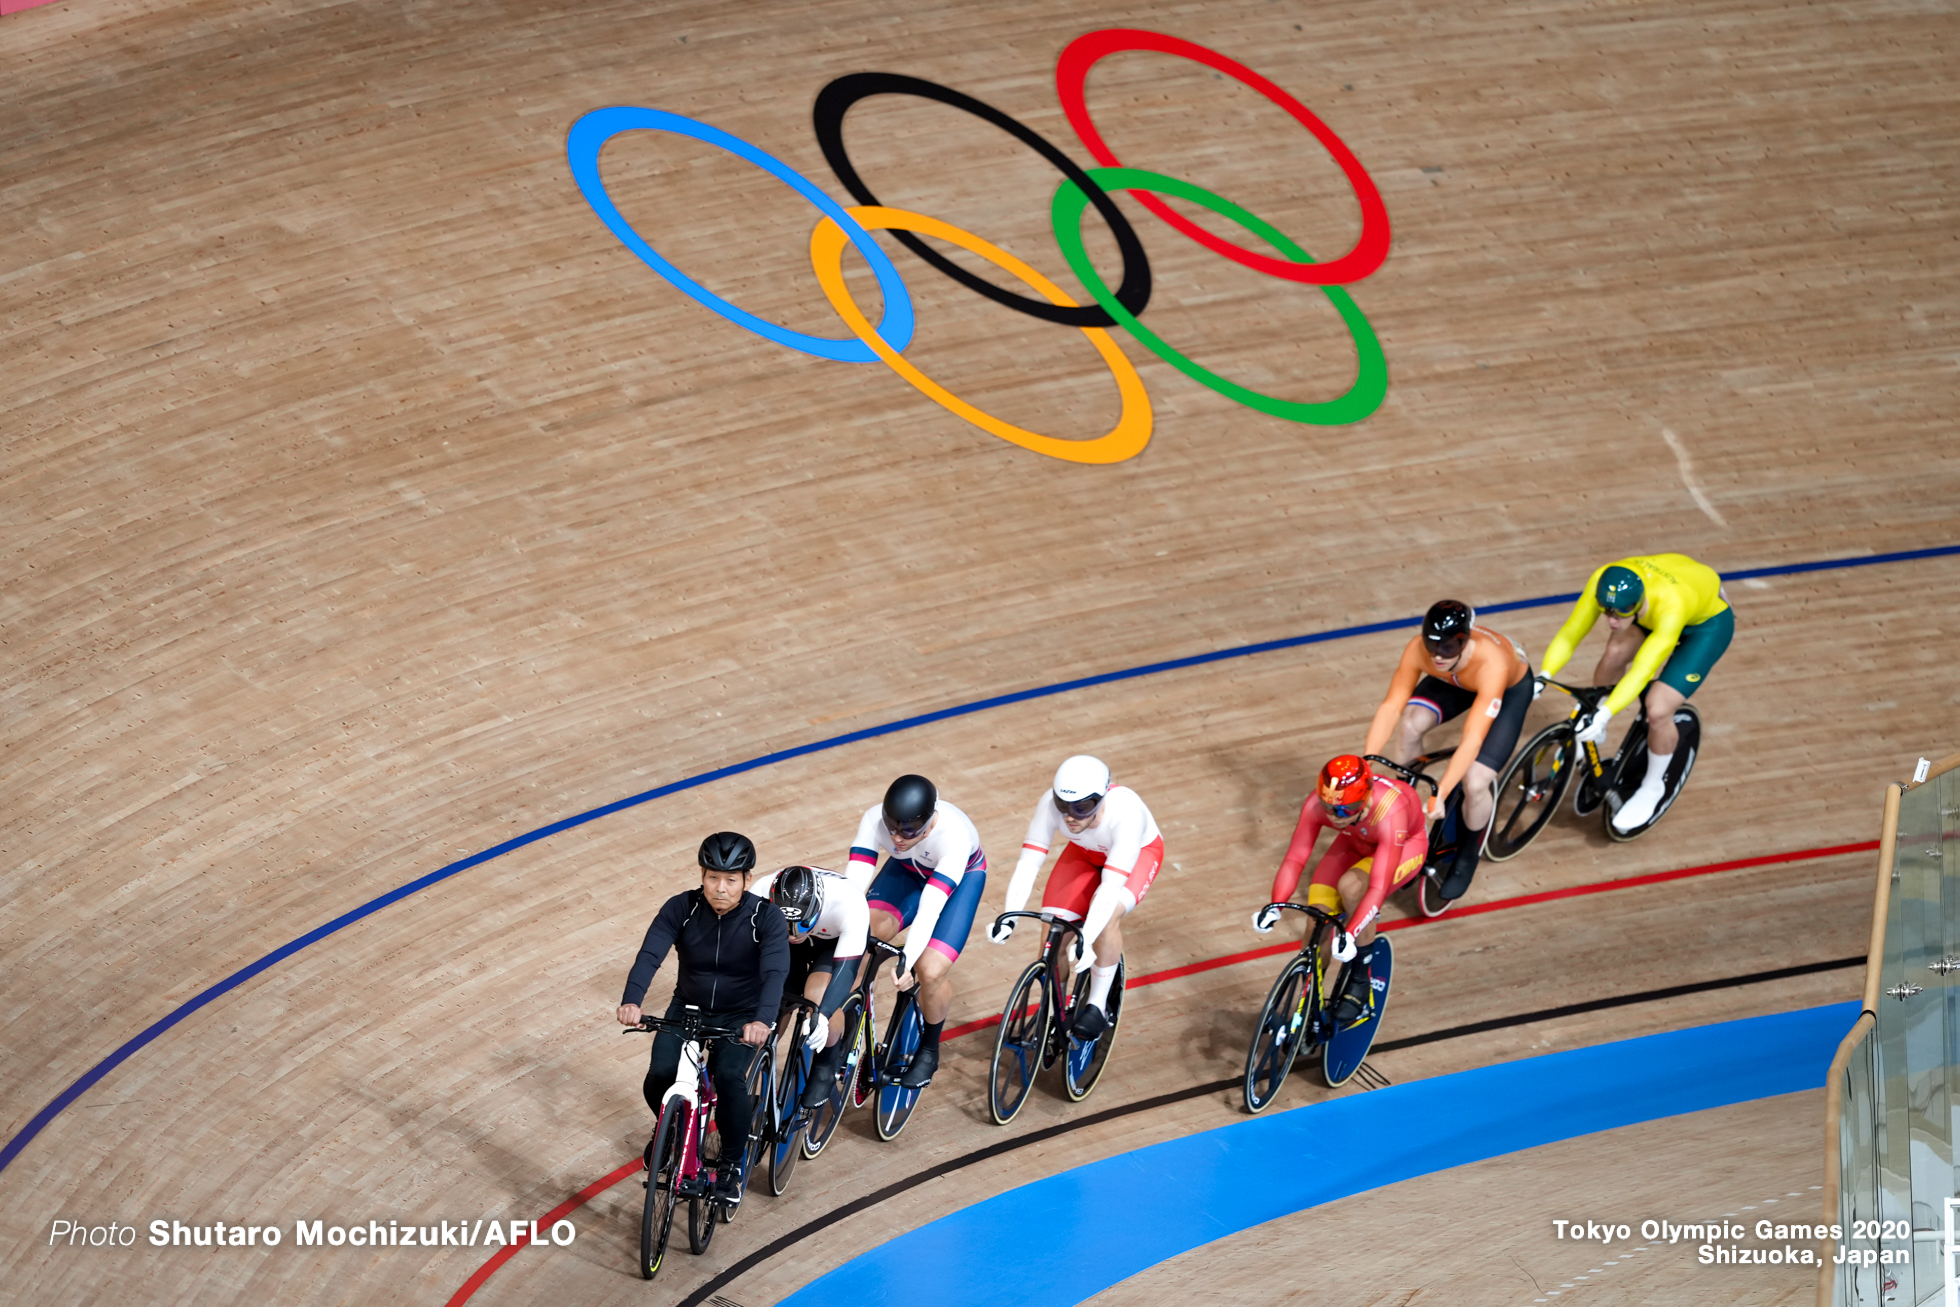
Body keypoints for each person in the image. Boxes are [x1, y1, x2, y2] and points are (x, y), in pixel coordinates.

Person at [616, 831, 788, 1208]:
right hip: (688, 1007)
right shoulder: (682, 907)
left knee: (728, 1078)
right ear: (701, 875)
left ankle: (730, 1164)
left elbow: (776, 973)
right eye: (712, 878)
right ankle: (672, 1130)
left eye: (730, 879)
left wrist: (762, 1020)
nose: (720, 888)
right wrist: (633, 1000)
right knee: (659, 1075)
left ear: (747, 878)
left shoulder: (766, 917)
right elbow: (650, 954)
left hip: (742, 1014)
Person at [1540, 554, 1733, 831]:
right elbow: (1571, 633)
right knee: (1614, 653)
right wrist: (1544, 675)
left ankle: (1652, 788)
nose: (1612, 621)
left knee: (1658, 708)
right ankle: (1595, 725)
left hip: (1705, 626)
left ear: (1637, 602)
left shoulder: (1672, 605)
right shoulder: (1604, 580)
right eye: (1607, 611)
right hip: (1658, 605)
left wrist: (1605, 714)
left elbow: (1642, 671)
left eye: (1620, 613)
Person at [1363, 599, 1533, 899]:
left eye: (1449, 648)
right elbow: (1391, 706)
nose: (1438, 656)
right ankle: (1405, 811)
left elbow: (1471, 739)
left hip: (1505, 691)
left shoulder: (1492, 663)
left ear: (1465, 641)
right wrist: (1367, 761)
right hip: (1456, 681)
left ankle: (1468, 855)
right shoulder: (1420, 649)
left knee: (1475, 781)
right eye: (1432, 645)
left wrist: (1440, 792)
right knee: (1409, 725)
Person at [993, 755, 1164, 1040]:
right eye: (1063, 807)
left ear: (1101, 799)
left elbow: (1110, 888)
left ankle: (1097, 1004)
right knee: (1052, 934)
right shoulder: (1049, 804)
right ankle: (1053, 1011)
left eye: (1082, 808)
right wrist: (1009, 916)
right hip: (1084, 854)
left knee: (1106, 919)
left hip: (1137, 857)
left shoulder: (1127, 814)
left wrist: (1087, 934)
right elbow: (1028, 863)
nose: (1070, 817)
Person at [1252, 755, 1426, 1028]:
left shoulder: (1390, 812)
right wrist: (1275, 904)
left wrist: (1351, 931)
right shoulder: (1323, 803)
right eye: (1329, 808)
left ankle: (1360, 976)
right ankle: (1305, 1002)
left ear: (1365, 798)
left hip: (1403, 847)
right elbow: (1295, 857)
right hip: (1356, 841)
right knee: (1316, 920)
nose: (1333, 816)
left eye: (1344, 811)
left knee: (1353, 888)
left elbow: (1378, 886)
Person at [846, 775, 988, 1089]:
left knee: (930, 969)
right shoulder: (875, 821)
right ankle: (852, 1024)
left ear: (928, 822)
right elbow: (852, 887)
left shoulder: (954, 837)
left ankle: (928, 1049)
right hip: (908, 871)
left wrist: (907, 959)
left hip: (958, 881)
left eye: (908, 830)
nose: (897, 837)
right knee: (862, 934)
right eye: (892, 827)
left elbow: (930, 909)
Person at [750, 863, 870, 1109]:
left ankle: (826, 1063)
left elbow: (845, 971)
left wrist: (823, 1016)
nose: (794, 934)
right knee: (776, 995)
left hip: (832, 945)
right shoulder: (759, 893)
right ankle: (759, 1055)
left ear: (818, 908)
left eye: (802, 924)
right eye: (787, 925)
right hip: (784, 945)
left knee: (817, 999)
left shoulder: (849, 904)